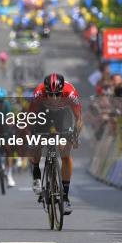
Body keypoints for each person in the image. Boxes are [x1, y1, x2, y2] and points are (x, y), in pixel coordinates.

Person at [29, 73, 82, 215]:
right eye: (50, 94)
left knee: (65, 153)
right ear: (45, 91)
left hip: (63, 115)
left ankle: (65, 197)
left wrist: (75, 136)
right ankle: (36, 173)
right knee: (36, 144)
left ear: (62, 91)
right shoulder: (39, 93)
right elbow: (31, 117)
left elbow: (78, 119)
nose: (53, 98)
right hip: (43, 113)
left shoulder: (70, 93)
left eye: (56, 94)